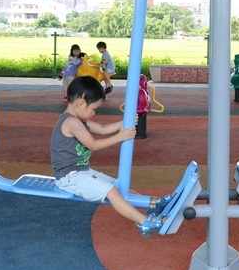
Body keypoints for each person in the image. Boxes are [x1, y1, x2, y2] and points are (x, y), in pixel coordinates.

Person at [51, 76, 163, 236]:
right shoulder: (71, 122)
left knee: (119, 187)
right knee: (111, 191)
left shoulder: (79, 120)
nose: (94, 113)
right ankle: (145, 222)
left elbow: (102, 129)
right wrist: (120, 137)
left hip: (81, 172)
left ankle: (153, 205)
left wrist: (125, 122)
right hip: (69, 177)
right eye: (94, 109)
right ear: (81, 103)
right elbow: (93, 145)